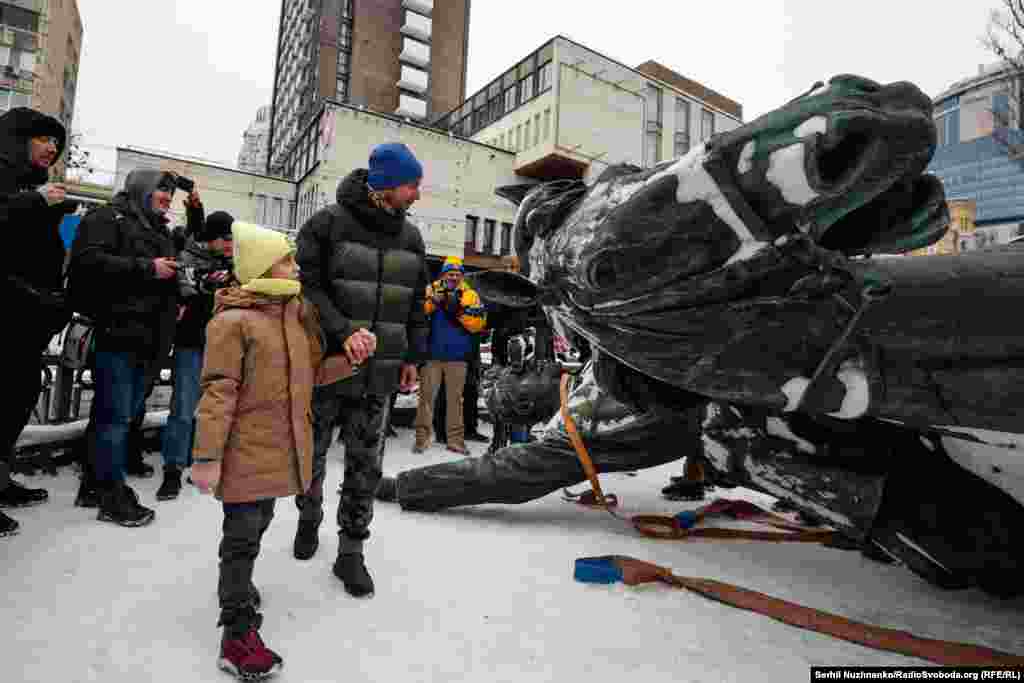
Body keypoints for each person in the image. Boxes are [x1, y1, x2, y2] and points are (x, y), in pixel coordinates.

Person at [190, 221, 335, 680]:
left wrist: (351, 360)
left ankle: (240, 590)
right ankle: (235, 635)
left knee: (258, 525)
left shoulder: (293, 314)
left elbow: (309, 376)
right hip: (244, 450)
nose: (296, 266)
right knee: (241, 538)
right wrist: (207, 457)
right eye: (287, 259)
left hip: (280, 448)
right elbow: (217, 392)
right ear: (261, 266)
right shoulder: (233, 322)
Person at [294, 142, 429, 596]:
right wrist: (342, 331)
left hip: (381, 374)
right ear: (387, 184)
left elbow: (415, 306)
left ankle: (351, 552)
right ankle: (308, 512)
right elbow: (307, 288)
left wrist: (413, 357)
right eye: (412, 185)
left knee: (366, 466)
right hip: (328, 369)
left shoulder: (411, 238)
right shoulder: (327, 224)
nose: (416, 195)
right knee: (309, 459)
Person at [377, 357, 705, 512]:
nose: (535, 362)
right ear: (525, 400)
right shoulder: (574, 430)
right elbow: (494, 474)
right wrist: (404, 485)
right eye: (524, 373)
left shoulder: (583, 376)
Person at [67, 169, 182, 527]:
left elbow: (164, 274)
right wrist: (149, 268)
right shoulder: (107, 217)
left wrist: (180, 287)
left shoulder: (156, 227)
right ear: (142, 189)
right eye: (161, 192)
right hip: (119, 334)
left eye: (169, 194)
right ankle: (111, 496)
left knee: (118, 416)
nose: (166, 199)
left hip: (148, 339)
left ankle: (93, 484)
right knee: (114, 419)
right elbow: (87, 264)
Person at [0, 107, 77, 537]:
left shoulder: (32, 186)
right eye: (44, 138)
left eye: (57, 144)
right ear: (20, 136)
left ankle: (1, 480)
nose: (52, 149)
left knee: (16, 398)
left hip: (24, 320)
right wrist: (34, 203)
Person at [157, 209, 235, 501]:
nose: (230, 244)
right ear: (211, 238)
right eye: (225, 238)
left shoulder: (234, 265)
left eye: (232, 239)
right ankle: (173, 468)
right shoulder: (187, 259)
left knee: (214, 410)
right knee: (183, 408)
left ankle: (203, 462)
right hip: (191, 342)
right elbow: (186, 291)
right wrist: (212, 287)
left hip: (223, 346)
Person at [412, 256, 486, 455]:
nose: (453, 277)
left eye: (457, 273)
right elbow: (418, 313)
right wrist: (434, 302)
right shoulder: (431, 289)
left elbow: (479, 323)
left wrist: (458, 310)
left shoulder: (470, 295)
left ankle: (455, 441)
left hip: (457, 357)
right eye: (449, 273)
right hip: (431, 355)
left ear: (461, 275)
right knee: (426, 399)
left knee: (456, 401)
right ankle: (421, 440)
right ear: (443, 274)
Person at [433, 331, 488, 444]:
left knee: (471, 391)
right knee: (447, 392)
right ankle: (441, 432)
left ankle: (469, 429)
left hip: (470, 348)